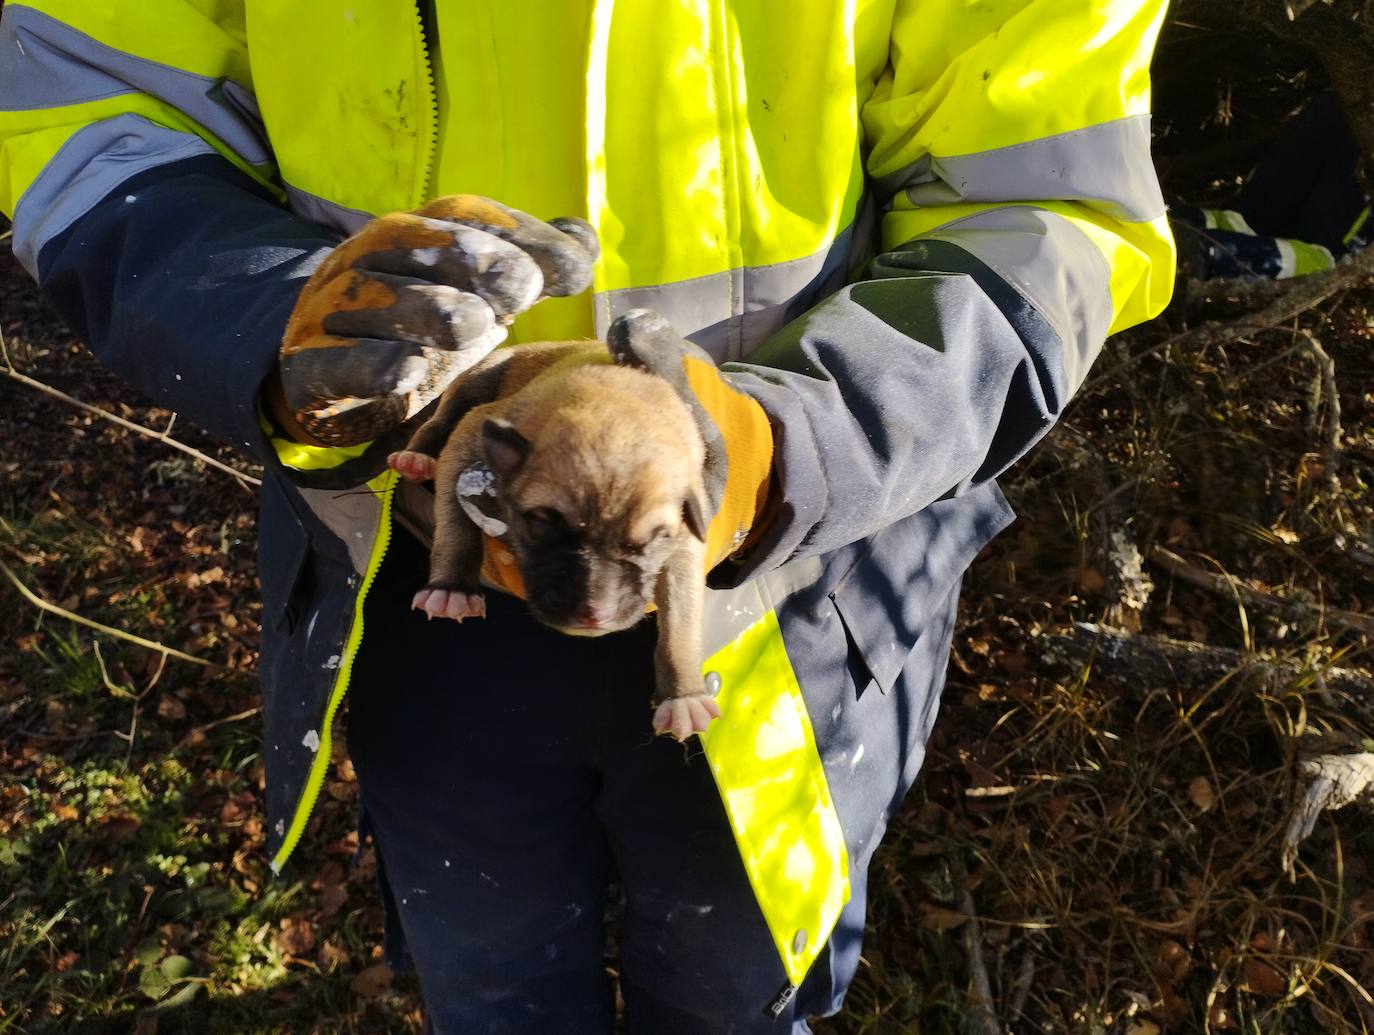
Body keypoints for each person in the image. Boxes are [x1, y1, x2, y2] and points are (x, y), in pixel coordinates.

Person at [0, 2, 1175, 1031]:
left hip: (803, 616)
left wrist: (799, 449)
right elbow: (81, 103)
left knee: (739, 994)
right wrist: (268, 308)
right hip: (412, 585)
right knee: (491, 981)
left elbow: (1050, 205)